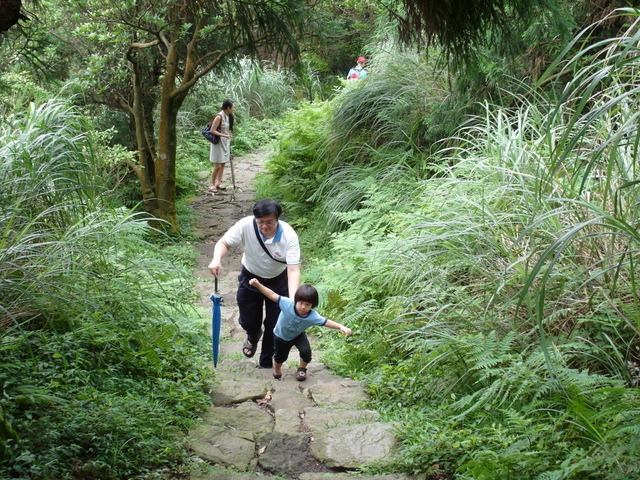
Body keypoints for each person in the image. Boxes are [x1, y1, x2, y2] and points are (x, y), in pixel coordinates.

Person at [208, 199, 301, 368]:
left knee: (275, 325)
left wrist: (293, 300)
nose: (264, 226)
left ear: (278, 219)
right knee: (248, 321)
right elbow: (224, 243)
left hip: (278, 282)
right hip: (250, 278)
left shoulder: (289, 235)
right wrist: (216, 259)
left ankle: (266, 363)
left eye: (269, 223)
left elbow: (293, 270)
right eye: (260, 222)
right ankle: (253, 335)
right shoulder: (245, 225)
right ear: (255, 218)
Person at [248, 279, 352, 381]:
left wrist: (341, 327)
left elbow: (326, 322)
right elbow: (272, 295)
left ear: (312, 305)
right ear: (296, 300)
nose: (303, 307)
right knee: (280, 358)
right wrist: (258, 285)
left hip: (298, 335)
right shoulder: (287, 304)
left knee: (306, 352)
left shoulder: (312, 316)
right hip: (281, 336)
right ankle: (277, 371)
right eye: (301, 303)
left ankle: (302, 369)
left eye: (307, 305)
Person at [209, 99, 234, 194]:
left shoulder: (228, 116)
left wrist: (227, 135)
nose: (233, 109)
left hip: (225, 142)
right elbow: (212, 130)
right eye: (233, 107)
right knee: (217, 165)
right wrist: (224, 135)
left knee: (223, 163)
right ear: (228, 108)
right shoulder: (219, 117)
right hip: (218, 142)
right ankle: (212, 184)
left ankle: (218, 183)